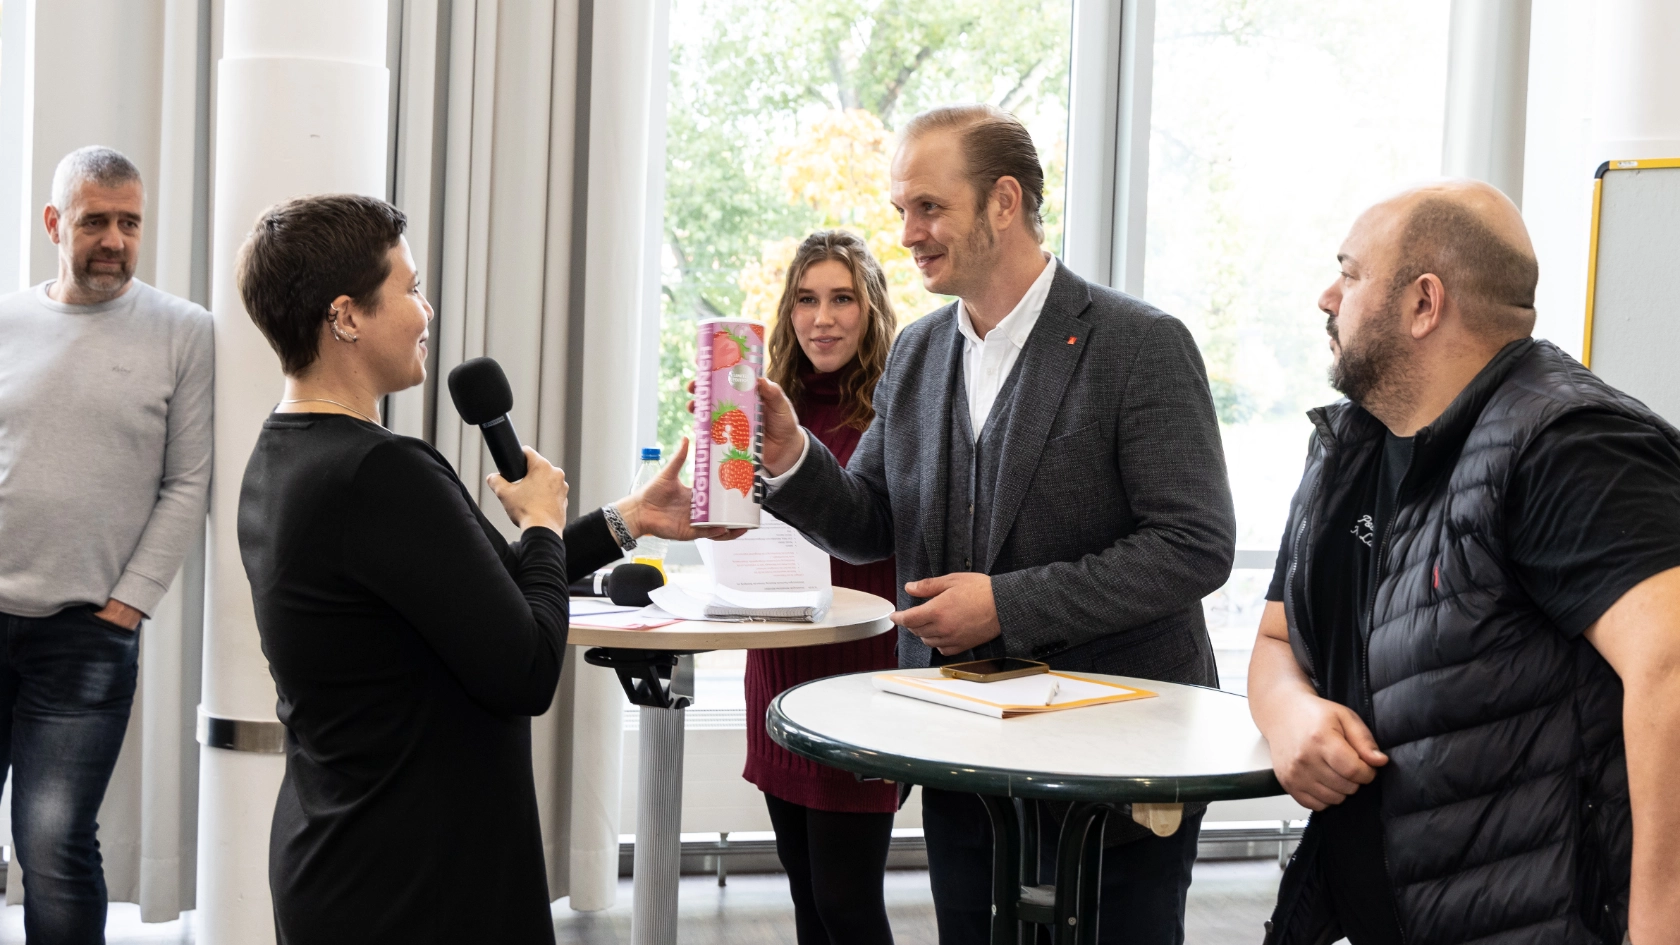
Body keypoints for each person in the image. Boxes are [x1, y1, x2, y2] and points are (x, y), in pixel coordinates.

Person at [756, 105, 1236, 944]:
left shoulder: (1141, 344)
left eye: (928, 207)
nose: (906, 232)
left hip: (1116, 758)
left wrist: (1006, 605)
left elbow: (1194, 545)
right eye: (902, 208)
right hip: (959, 755)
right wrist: (794, 453)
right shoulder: (917, 352)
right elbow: (871, 522)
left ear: (1004, 202)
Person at [233, 194, 736, 944]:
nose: (426, 310)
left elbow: (479, 596)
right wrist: (538, 519)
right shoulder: (381, 472)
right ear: (346, 316)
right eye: (410, 288)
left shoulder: (283, 456)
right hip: (418, 880)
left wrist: (630, 518)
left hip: (343, 853)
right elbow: (525, 668)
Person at [1251, 180, 1680, 945]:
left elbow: (1672, 667)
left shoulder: (1568, 443)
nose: (1326, 296)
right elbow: (1279, 638)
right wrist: (1290, 713)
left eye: (1348, 274)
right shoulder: (1349, 446)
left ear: (1424, 302)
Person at [0, 146, 211, 942]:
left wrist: (127, 605)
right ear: (56, 223)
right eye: (96, 221)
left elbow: (188, 481)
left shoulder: (183, 333)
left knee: (51, 842)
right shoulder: (8, 321)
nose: (114, 240)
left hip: (85, 632)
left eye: (130, 223)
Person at [746, 230, 900, 945]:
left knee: (847, 903)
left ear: (871, 311)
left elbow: (878, 530)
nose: (823, 318)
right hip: (778, 666)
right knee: (807, 899)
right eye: (807, 299)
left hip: (860, 679)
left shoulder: (896, 411)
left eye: (843, 298)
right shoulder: (761, 408)